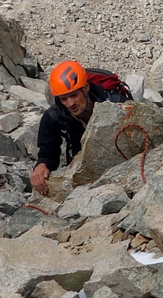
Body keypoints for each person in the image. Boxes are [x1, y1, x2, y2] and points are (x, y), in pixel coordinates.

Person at [29, 60, 134, 197]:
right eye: (64, 99)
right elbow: (48, 152)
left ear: (86, 88)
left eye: (74, 95)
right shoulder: (54, 117)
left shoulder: (115, 104)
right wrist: (41, 166)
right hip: (81, 173)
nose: (70, 103)